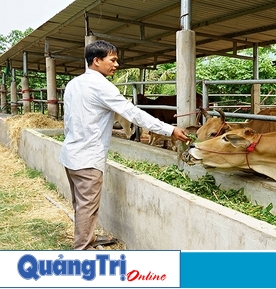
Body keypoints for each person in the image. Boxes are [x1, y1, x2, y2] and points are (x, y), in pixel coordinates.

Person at [59, 40, 190, 250]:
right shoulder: (102, 86)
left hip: (71, 153)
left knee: (81, 204)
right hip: (87, 158)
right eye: (112, 60)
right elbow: (133, 113)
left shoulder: (74, 83)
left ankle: (88, 238)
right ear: (96, 61)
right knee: (87, 206)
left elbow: (68, 120)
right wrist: (169, 129)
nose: (116, 64)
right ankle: (82, 250)